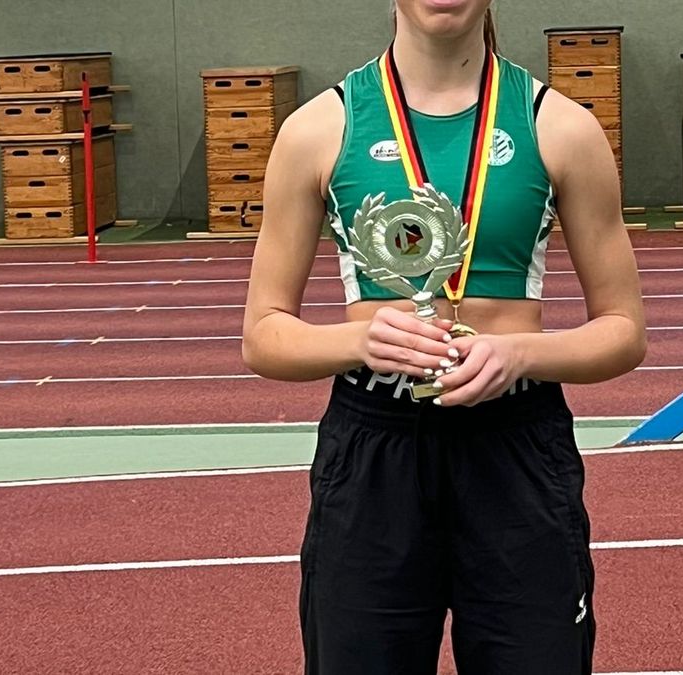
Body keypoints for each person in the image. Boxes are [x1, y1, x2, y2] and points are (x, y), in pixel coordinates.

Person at [242, 1, 646, 672]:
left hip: (516, 448)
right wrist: (360, 342)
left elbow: (624, 331)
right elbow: (263, 335)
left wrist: (521, 353)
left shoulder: (561, 127)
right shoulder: (318, 129)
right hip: (375, 453)